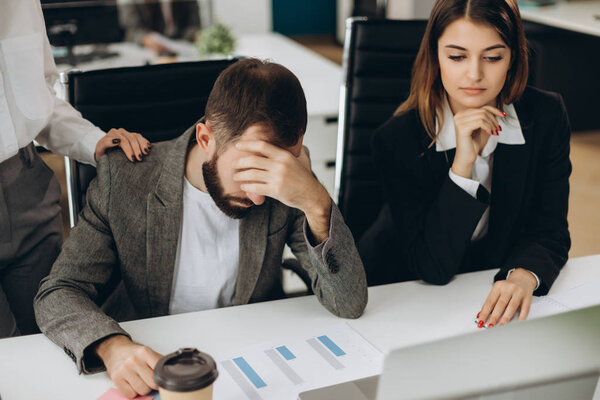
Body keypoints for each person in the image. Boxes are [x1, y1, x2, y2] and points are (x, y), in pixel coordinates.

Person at [34, 58, 368, 398]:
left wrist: (315, 202)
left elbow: (349, 302)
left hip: (255, 362)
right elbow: (58, 292)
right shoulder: (124, 179)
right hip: (156, 362)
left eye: (268, 175)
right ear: (206, 138)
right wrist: (110, 346)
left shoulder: (286, 181)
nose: (258, 197)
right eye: (246, 171)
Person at [359, 0, 570, 329]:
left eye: (493, 57)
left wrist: (523, 276)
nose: (474, 74)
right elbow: (432, 267)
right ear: (436, 56)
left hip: (484, 303)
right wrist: (463, 165)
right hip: (404, 305)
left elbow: (550, 229)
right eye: (457, 56)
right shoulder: (396, 139)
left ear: (513, 57)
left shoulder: (546, 116)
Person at [0, 0, 150, 339]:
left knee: (52, 335)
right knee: (7, 359)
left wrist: (92, 141)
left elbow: (38, 99)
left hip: (29, 194)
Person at [118, 0, 201, 55]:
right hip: (145, 51)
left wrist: (196, 36)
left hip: (182, 48)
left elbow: (193, 25)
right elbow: (132, 30)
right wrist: (147, 40)